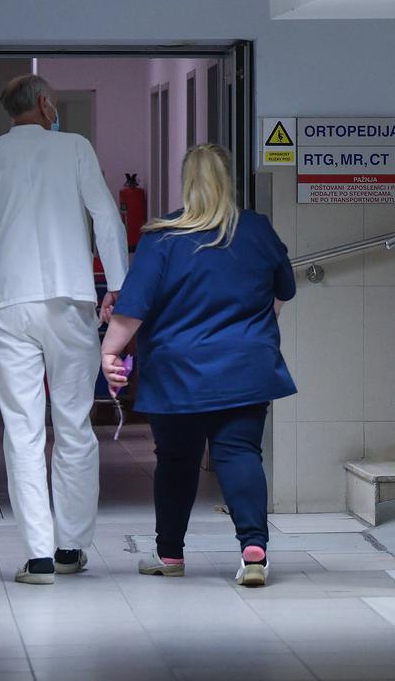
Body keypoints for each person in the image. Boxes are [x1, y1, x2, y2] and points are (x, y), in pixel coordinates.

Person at [0, 74, 129, 585]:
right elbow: (106, 219)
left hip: (8, 305)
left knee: (23, 429)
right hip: (71, 301)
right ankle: (71, 547)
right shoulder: (75, 149)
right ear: (46, 105)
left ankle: (39, 556)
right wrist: (118, 285)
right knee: (73, 425)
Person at [101, 144, 296, 588]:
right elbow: (283, 289)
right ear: (230, 179)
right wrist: (256, 329)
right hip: (245, 366)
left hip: (177, 372)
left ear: (186, 181)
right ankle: (253, 550)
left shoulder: (161, 237)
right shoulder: (257, 229)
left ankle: (170, 554)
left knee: (176, 460)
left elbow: (134, 308)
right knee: (240, 452)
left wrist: (109, 352)